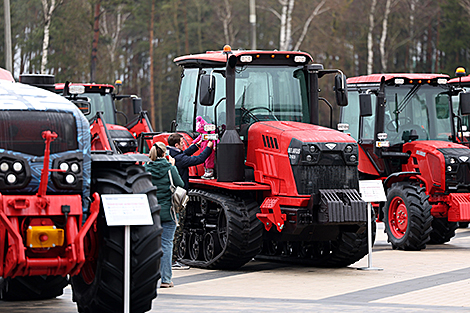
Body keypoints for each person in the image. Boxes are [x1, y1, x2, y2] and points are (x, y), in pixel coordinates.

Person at [167, 133, 214, 268]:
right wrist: (209, 147)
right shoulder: (180, 159)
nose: (184, 144)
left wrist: (198, 144)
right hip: (178, 196)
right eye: (182, 142)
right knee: (178, 226)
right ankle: (173, 260)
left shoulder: (171, 153)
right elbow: (199, 159)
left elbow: (185, 153)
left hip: (170, 195)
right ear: (177, 145)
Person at [145, 141, 184, 288]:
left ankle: (149, 279)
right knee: (166, 244)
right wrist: (173, 166)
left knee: (150, 246)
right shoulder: (169, 168)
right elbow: (180, 184)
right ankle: (166, 279)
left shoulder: (146, 168)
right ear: (164, 153)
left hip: (151, 212)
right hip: (168, 213)